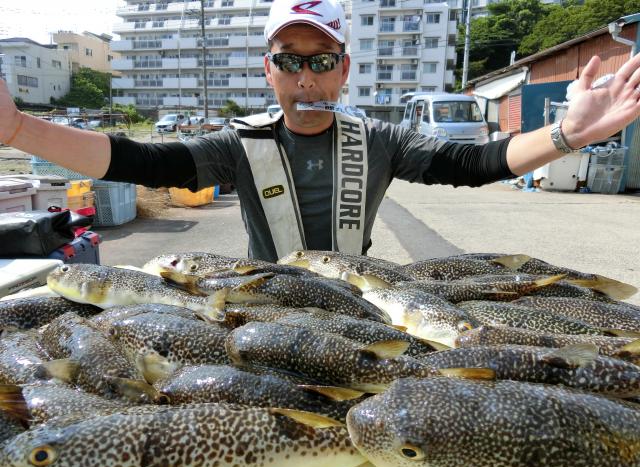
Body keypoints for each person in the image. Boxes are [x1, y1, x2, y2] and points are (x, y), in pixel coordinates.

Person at [1, 0, 640, 262]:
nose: (306, 76)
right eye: (290, 61)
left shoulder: (381, 140)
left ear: (344, 71)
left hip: (354, 300)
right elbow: (139, 159)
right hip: (259, 300)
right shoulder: (239, 143)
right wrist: (18, 128)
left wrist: (568, 136)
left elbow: (472, 163)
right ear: (270, 71)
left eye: (322, 60)